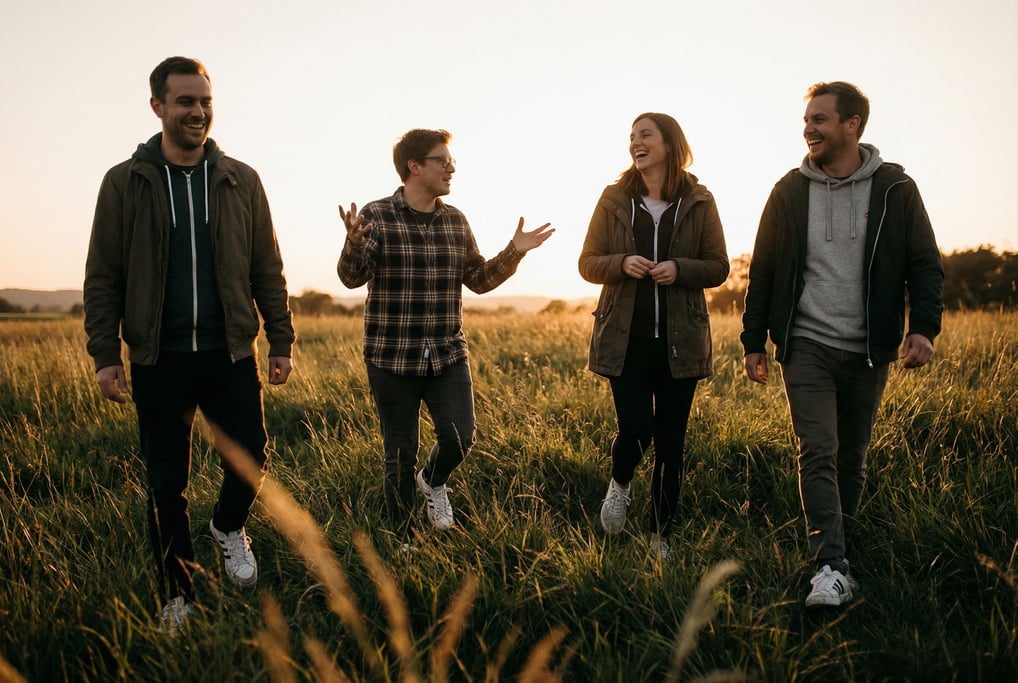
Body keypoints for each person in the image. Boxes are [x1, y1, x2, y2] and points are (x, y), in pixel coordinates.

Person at [84, 56, 295, 632]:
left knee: (250, 457)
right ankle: (180, 594)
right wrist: (106, 355)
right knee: (166, 483)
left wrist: (280, 338)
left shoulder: (240, 179)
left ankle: (228, 527)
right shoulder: (124, 182)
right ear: (158, 107)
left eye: (205, 101)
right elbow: (103, 276)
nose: (198, 111)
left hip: (229, 353)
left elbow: (266, 267)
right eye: (185, 101)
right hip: (158, 357)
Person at [741, 81, 943, 607]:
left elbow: (924, 263)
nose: (809, 128)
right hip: (805, 341)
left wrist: (924, 327)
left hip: (869, 347)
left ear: (852, 125)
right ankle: (828, 566)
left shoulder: (896, 189)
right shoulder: (789, 190)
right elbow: (762, 269)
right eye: (807, 120)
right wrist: (753, 339)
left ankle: (843, 556)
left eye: (820, 120)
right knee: (818, 452)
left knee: (851, 456)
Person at [338, 128, 553, 543]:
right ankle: (402, 538)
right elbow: (351, 278)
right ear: (414, 166)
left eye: (450, 160)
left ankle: (434, 481)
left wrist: (515, 250)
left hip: (447, 354)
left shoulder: (455, 220)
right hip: (392, 357)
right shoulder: (377, 215)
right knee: (399, 455)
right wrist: (352, 244)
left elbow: (478, 279)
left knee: (460, 438)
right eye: (442, 160)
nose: (450, 167)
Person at [578, 113, 730, 560]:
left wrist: (681, 270)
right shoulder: (613, 199)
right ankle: (620, 484)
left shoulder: (700, 201)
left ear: (669, 144)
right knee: (637, 430)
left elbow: (718, 266)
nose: (635, 143)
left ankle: (660, 535)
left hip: (681, 341)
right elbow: (588, 262)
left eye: (645, 135)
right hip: (626, 338)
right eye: (631, 137)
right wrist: (622, 262)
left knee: (672, 440)